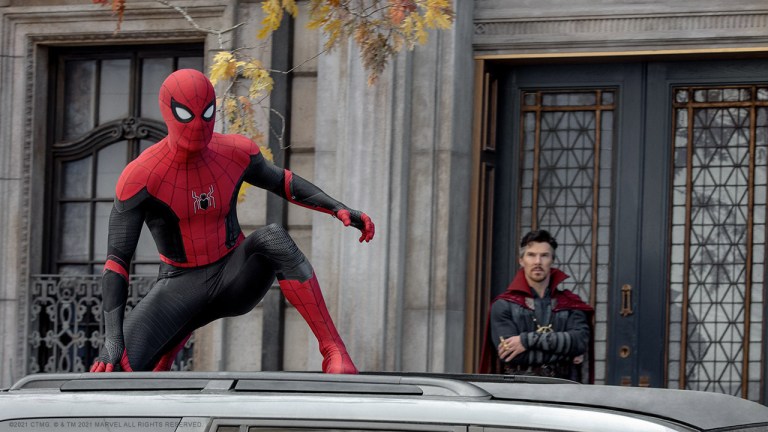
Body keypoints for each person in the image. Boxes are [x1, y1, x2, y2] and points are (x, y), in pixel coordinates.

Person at [90, 69, 374, 374]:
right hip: (179, 284)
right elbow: (117, 263)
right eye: (186, 115)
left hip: (234, 275)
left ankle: (333, 351)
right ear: (168, 111)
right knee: (115, 370)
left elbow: (283, 181)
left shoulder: (235, 151)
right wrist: (112, 340)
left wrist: (337, 208)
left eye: (207, 113)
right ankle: (165, 358)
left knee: (273, 237)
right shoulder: (141, 175)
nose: (198, 125)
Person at [480, 229, 592, 380]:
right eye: (531, 255)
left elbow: (579, 343)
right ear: (521, 260)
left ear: (552, 259)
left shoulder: (570, 304)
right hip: (519, 392)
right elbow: (511, 356)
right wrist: (564, 352)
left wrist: (525, 341)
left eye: (544, 255)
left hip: (563, 390)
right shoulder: (504, 305)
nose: (537, 262)